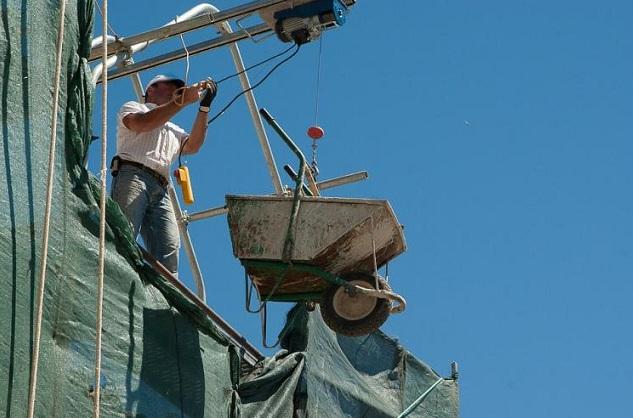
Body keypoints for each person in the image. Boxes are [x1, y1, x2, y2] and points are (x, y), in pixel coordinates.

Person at [111, 74, 217, 276]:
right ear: (152, 88)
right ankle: (117, 279)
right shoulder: (133, 107)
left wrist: (204, 108)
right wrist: (182, 100)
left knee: (169, 250)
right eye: (170, 87)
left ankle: (164, 300)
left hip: (160, 188)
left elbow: (193, 145)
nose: (174, 92)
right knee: (124, 234)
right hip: (133, 176)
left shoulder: (172, 128)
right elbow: (144, 123)